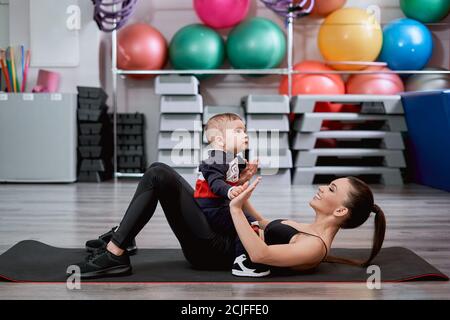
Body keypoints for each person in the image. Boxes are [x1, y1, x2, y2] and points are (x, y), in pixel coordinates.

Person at [70, 160, 386, 279]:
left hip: (213, 253)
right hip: (223, 237)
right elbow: (263, 225)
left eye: (331, 188)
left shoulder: (314, 247)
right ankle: (123, 239)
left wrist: (235, 208)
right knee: (162, 173)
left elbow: (260, 254)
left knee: (159, 175)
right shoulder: (307, 228)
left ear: (341, 211)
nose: (322, 188)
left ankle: (116, 254)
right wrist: (241, 189)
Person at [193, 113, 269, 277]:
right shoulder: (214, 160)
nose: (245, 135)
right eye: (238, 131)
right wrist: (229, 190)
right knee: (247, 222)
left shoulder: (233, 157)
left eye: (244, 130)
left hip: (220, 204)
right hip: (210, 207)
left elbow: (237, 171)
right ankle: (243, 261)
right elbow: (216, 183)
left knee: (247, 220)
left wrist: (246, 171)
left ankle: (248, 251)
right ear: (220, 141)